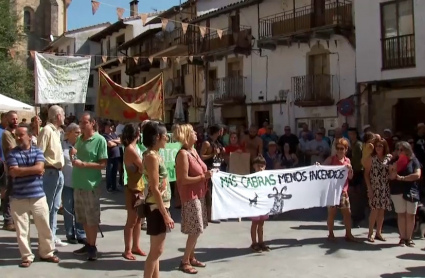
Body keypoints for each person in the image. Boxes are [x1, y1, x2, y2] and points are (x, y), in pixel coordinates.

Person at [7, 124, 59, 267]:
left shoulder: (38, 151)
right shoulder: (12, 154)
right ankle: (27, 257)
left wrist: (22, 170)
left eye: (21, 135)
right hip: (18, 197)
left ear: (30, 136)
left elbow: (40, 168)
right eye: (16, 135)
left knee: (44, 227)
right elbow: (13, 172)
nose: (17, 138)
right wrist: (33, 170)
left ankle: (47, 253)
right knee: (22, 230)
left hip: (38, 196)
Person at [174, 124, 211, 274]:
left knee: (197, 228)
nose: (196, 133)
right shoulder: (183, 154)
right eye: (193, 132)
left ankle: (191, 257)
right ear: (187, 135)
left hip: (199, 193)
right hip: (190, 196)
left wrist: (207, 174)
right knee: (195, 229)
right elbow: (183, 179)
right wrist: (203, 177)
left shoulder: (193, 151)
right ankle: (184, 261)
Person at [70, 112, 108, 260]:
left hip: (91, 186)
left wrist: (83, 164)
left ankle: (93, 247)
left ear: (92, 123)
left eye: (84, 122)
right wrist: (73, 155)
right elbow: (76, 158)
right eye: (80, 122)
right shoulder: (79, 139)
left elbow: (103, 164)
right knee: (83, 218)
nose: (81, 125)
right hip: (78, 184)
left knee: (92, 219)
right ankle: (89, 243)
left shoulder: (100, 140)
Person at [142, 121, 174, 278]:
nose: (167, 139)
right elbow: (154, 187)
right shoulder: (151, 157)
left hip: (159, 204)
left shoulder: (155, 155)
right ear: (158, 137)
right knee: (157, 251)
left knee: (156, 250)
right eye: (166, 136)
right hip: (156, 206)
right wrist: (165, 214)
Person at [37, 105, 66, 248]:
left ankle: (52, 236)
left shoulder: (56, 132)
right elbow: (39, 153)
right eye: (64, 114)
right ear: (58, 116)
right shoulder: (47, 131)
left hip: (58, 172)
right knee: (47, 207)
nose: (65, 117)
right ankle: (45, 239)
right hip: (49, 172)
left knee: (54, 207)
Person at [321, 138, 357, 242]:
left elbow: (350, 177)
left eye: (342, 148)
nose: (340, 150)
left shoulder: (347, 161)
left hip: (343, 191)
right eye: (338, 148)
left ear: (346, 149)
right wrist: (319, 166)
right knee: (332, 213)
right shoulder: (331, 159)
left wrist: (350, 169)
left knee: (347, 212)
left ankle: (348, 234)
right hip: (332, 191)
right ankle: (331, 234)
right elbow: (321, 168)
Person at [121, 123, 146, 260]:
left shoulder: (135, 147)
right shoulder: (130, 149)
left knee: (138, 220)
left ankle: (135, 246)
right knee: (131, 220)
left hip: (139, 186)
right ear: (137, 134)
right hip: (133, 188)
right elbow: (143, 166)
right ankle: (127, 249)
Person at [389, 141, 421, 247]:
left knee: (411, 215)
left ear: (407, 150)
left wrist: (403, 178)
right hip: (397, 190)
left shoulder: (414, 160)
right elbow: (391, 177)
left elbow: (417, 175)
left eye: (402, 149)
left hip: (411, 190)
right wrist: (394, 168)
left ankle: (409, 238)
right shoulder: (394, 160)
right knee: (401, 214)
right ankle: (402, 238)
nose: (399, 152)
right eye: (398, 149)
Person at [61, 123, 86, 245]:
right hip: (67, 182)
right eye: (76, 132)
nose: (79, 135)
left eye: (80, 132)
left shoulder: (82, 145)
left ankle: (81, 233)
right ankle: (70, 234)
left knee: (79, 210)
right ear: (69, 133)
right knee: (68, 209)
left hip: (80, 182)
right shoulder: (62, 145)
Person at [364, 139, 392, 242]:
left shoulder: (389, 158)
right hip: (374, 187)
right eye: (377, 146)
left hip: (384, 187)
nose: (378, 147)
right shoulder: (371, 158)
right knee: (374, 210)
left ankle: (378, 232)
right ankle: (370, 233)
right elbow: (366, 174)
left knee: (381, 211)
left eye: (381, 146)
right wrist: (369, 188)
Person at [200, 125, 222, 223]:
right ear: (218, 131)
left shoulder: (217, 142)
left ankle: (214, 214)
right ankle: (209, 216)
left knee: (215, 193)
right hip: (209, 170)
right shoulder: (207, 143)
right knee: (209, 194)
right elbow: (201, 157)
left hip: (217, 169)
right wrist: (212, 154)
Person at [249, 155, 271, 252]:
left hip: (263, 203)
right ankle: (254, 243)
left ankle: (261, 241)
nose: (260, 168)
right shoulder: (251, 178)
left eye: (262, 166)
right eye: (258, 166)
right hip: (255, 204)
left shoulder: (267, 177)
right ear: (254, 166)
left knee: (261, 223)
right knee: (255, 223)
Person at [1, 110, 18, 231]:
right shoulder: (7, 134)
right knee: (9, 193)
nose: (15, 121)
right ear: (7, 120)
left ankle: (12, 218)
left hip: (18, 167)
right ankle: (8, 220)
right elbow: (14, 148)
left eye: (16, 119)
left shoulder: (15, 133)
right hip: (10, 167)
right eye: (13, 119)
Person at [102, 120, 121, 192]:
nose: (111, 128)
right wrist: (116, 142)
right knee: (109, 172)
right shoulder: (104, 136)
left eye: (112, 126)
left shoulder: (114, 134)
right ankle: (109, 187)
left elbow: (120, 140)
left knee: (114, 173)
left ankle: (114, 187)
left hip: (116, 156)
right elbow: (109, 144)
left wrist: (114, 141)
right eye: (110, 126)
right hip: (109, 156)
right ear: (106, 127)